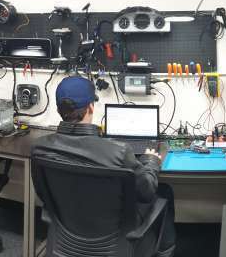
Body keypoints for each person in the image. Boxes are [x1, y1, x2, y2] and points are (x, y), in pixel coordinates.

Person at [31, 76, 175, 257]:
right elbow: (146, 192)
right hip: (115, 244)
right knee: (164, 191)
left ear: (59, 109)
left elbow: (43, 194)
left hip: (67, 239)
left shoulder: (39, 148)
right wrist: (151, 161)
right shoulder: (118, 151)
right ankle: (164, 251)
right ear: (91, 107)